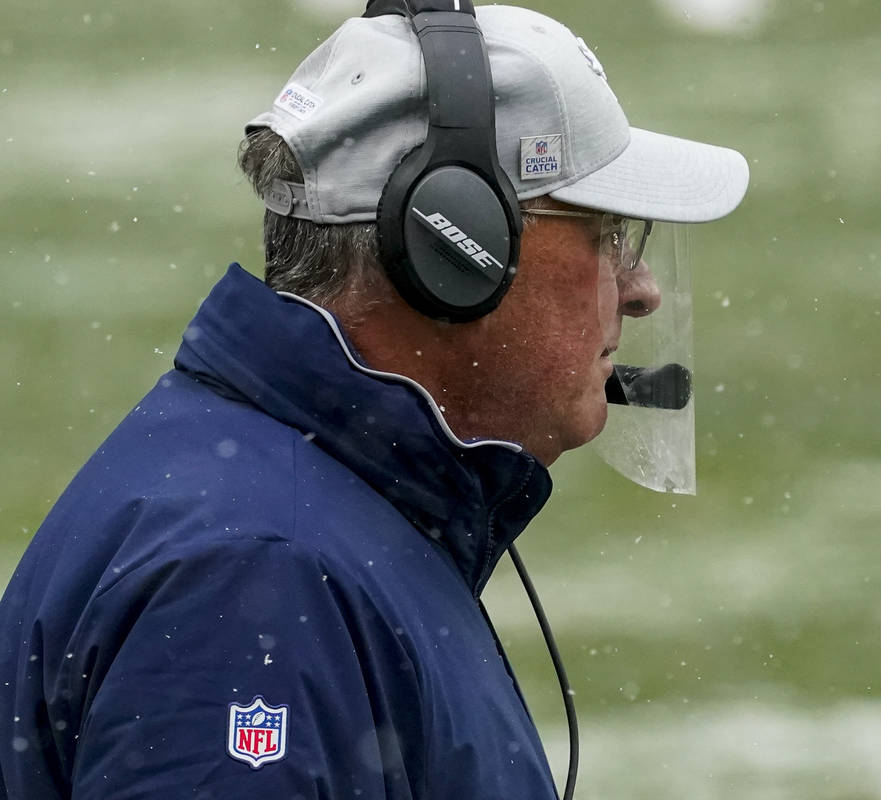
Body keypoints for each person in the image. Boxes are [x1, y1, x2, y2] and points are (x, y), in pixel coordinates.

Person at [0, 2, 748, 797]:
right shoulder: (258, 581)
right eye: (610, 234)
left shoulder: (303, 517)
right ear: (454, 248)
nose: (641, 290)